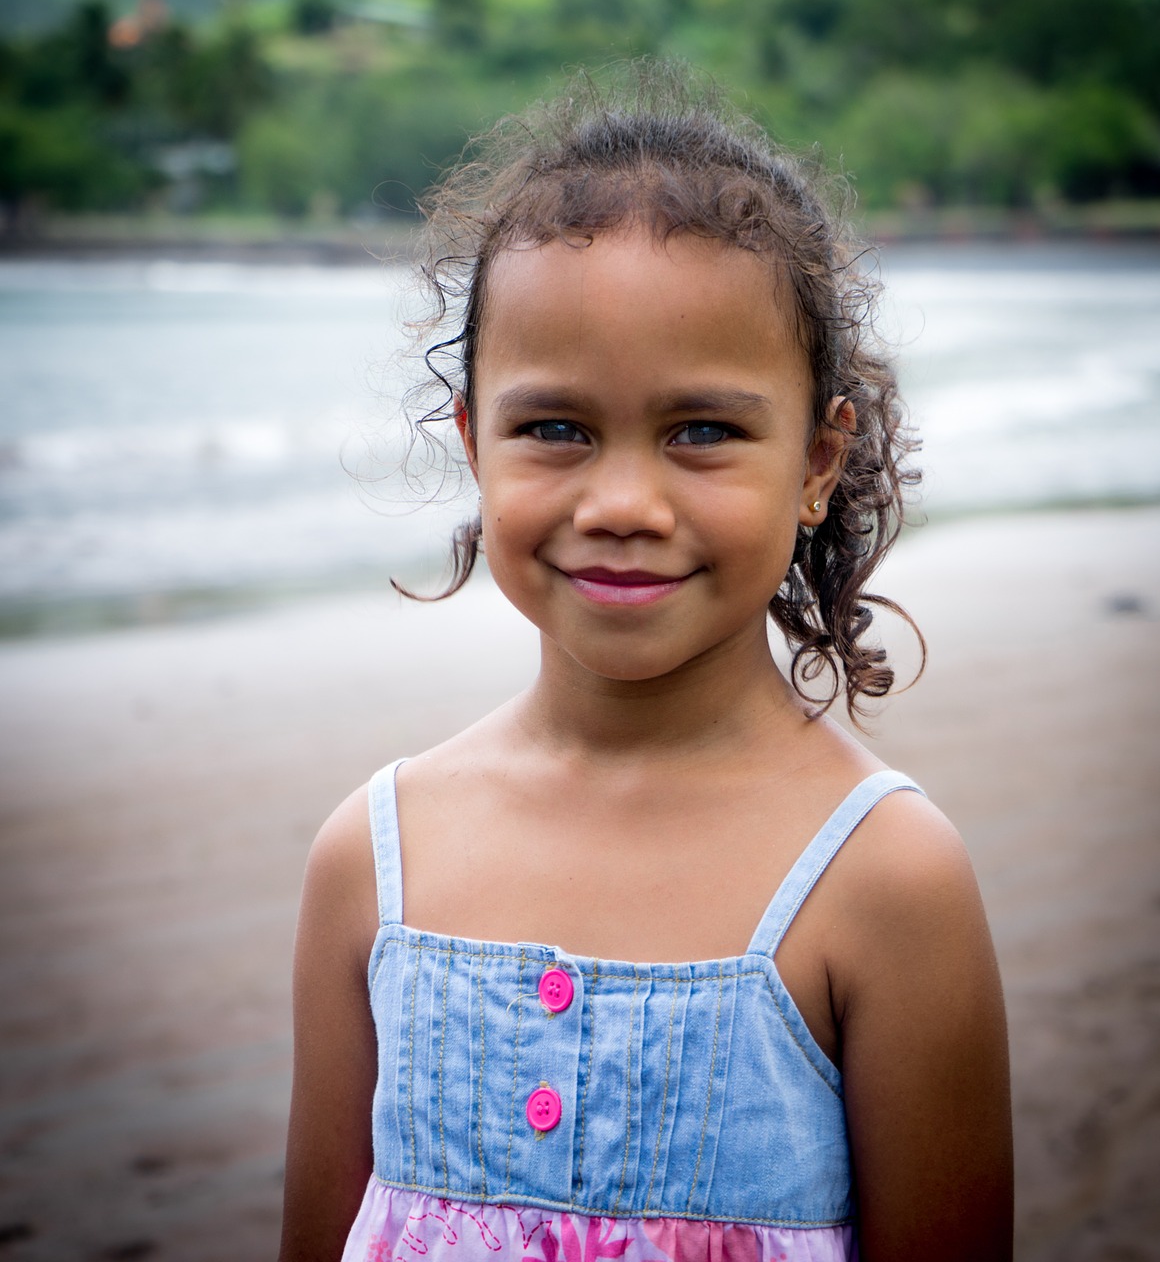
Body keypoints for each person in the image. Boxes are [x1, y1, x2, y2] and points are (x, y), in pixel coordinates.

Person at [278, 65, 1013, 1262]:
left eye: (704, 432)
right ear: (474, 438)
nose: (623, 501)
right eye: (556, 427)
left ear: (820, 459)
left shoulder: (888, 881)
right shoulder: (371, 862)